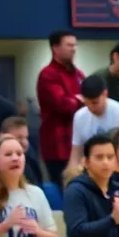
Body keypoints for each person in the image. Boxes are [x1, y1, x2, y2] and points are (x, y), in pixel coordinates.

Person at [36, 30, 84, 184]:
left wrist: (79, 100)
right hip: (58, 148)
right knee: (64, 190)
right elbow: (63, 105)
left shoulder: (79, 75)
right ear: (55, 48)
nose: (73, 48)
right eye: (69, 45)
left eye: (75, 45)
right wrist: (82, 101)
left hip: (79, 146)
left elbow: (91, 99)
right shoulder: (48, 74)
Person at [68, 74, 119, 178]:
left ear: (105, 94)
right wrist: (71, 176)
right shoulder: (79, 116)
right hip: (90, 170)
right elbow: (76, 152)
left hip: (117, 171)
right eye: (86, 103)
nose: (90, 107)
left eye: (95, 103)